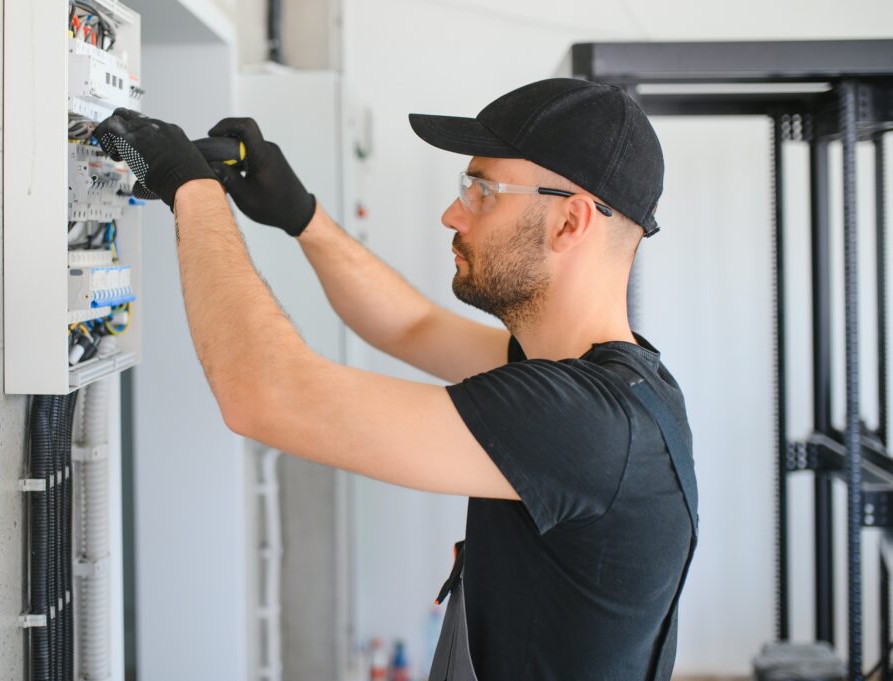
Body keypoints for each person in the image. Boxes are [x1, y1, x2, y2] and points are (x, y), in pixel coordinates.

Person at [95, 77, 697, 681]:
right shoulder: (619, 386)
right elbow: (410, 326)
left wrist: (192, 191)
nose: (452, 213)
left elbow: (264, 395)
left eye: (484, 190)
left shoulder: (582, 424)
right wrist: (301, 216)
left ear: (570, 223)